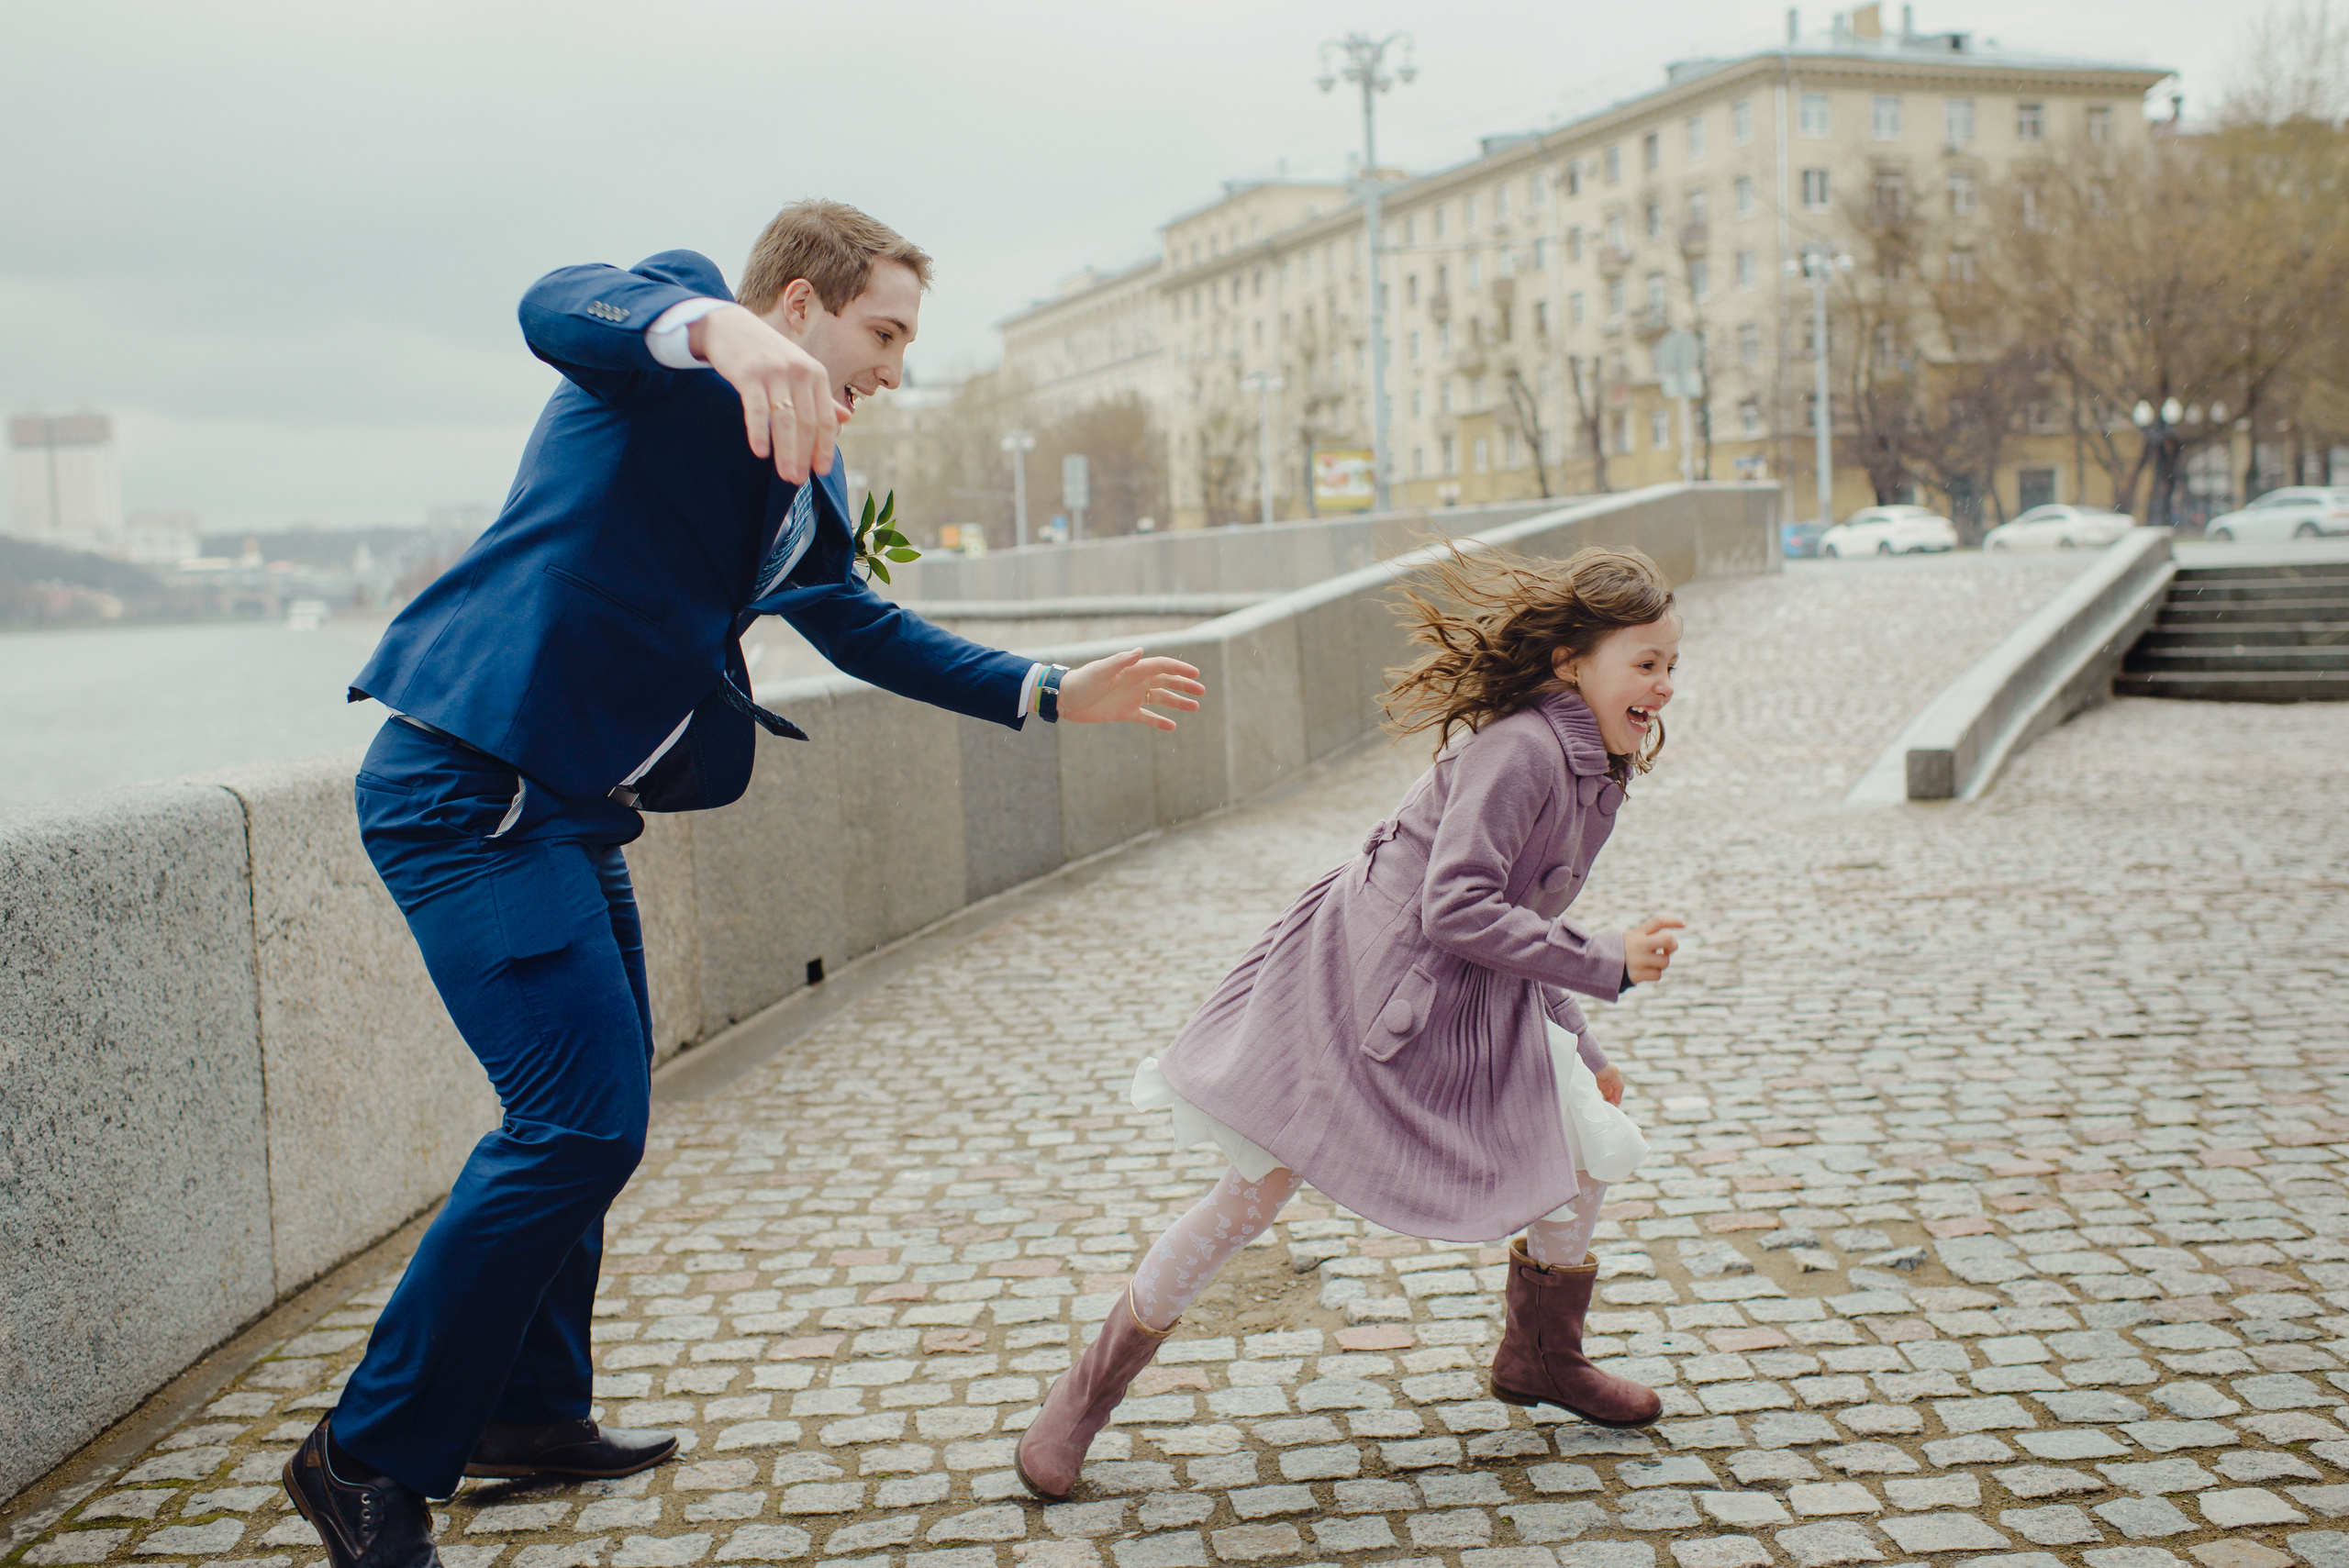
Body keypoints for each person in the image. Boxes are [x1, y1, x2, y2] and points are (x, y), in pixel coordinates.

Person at [283, 199, 1207, 1568]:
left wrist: (1049, 689)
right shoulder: (675, 336)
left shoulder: (813, 471)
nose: (895, 367)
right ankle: (363, 1454)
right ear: (795, 305)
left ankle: (527, 1412)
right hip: (466, 791)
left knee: (590, 1120)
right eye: (882, 331)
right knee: (576, 1129)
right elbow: (560, 298)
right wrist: (709, 328)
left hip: (569, 811)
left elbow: (854, 619)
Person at [1016, 544, 1686, 1502]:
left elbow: (1518, 917)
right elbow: (1453, 907)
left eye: (1671, 666)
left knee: (1586, 1141)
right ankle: (1079, 1400)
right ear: (1570, 661)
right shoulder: (1521, 752)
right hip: (1358, 986)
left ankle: (1540, 1354)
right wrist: (1607, 957)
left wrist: (1582, 1041)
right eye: (1645, 662)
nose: (1663, 685)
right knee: (1252, 1193)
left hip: (1457, 992)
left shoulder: (1595, 771)